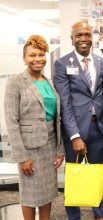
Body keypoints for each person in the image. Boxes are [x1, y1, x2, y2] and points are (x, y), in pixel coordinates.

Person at [4, 35, 65, 219]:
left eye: (41, 54)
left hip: (49, 145)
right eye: (32, 55)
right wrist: (22, 157)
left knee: (47, 192)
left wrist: (60, 149)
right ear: (24, 58)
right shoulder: (16, 82)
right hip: (29, 148)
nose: (37, 59)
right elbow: (11, 122)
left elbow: (57, 118)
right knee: (30, 195)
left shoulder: (49, 82)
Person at [53, 21, 103, 220]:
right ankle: (73, 217)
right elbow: (65, 103)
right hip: (74, 130)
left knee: (95, 174)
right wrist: (74, 136)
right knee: (74, 175)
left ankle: (98, 214)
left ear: (92, 37)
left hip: (99, 129)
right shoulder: (61, 64)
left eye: (86, 34)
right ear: (72, 38)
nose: (83, 39)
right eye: (79, 35)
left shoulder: (101, 62)